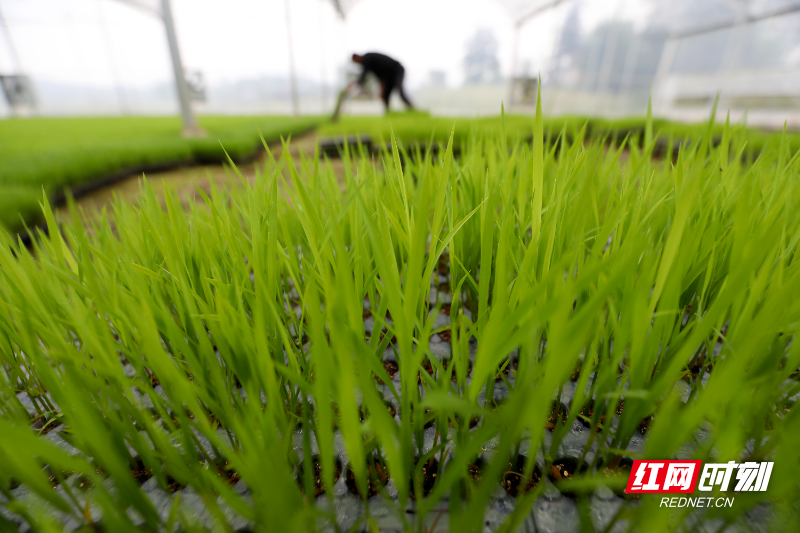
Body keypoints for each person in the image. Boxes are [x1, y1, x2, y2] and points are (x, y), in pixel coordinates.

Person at [349, 52, 414, 112]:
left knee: (399, 89)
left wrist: (354, 84)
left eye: (356, 62)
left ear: (356, 57)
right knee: (386, 93)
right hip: (389, 75)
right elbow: (380, 76)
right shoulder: (370, 62)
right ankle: (387, 111)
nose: (358, 64)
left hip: (397, 70)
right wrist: (382, 88)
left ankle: (411, 108)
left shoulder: (366, 59)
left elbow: (364, 75)